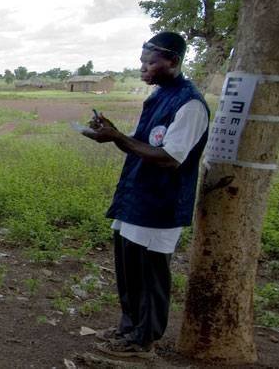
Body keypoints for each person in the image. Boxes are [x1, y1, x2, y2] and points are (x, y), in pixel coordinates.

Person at [82, 32, 209, 359]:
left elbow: (169, 157)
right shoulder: (159, 96)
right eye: (141, 62)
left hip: (161, 205)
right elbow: (142, 143)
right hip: (136, 198)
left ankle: (144, 339)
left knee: (150, 276)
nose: (143, 68)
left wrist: (117, 137)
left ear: (174, 61)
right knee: (129, 270)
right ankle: (128, 328)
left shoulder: (190, 104)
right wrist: (112, 132)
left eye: (151, 62)